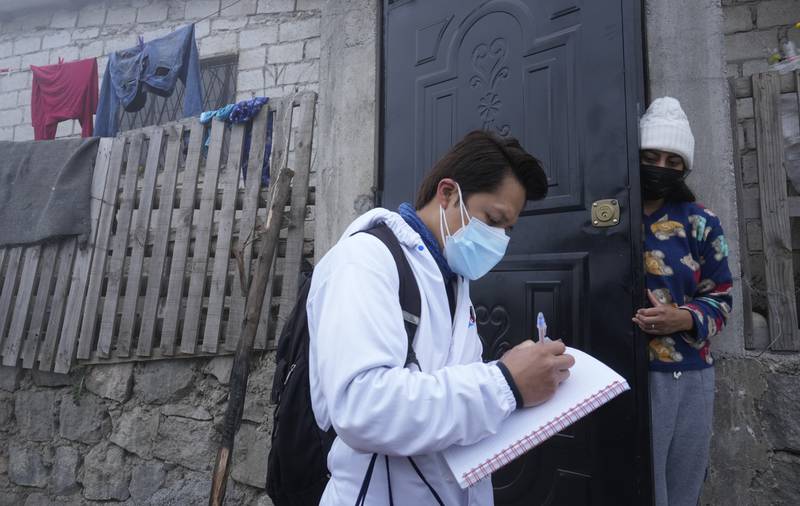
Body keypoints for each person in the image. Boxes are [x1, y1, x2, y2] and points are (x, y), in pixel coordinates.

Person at [307, 130, 576, 505]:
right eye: (492, 219)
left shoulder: (453, 279)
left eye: (508, 229)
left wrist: (517, 384)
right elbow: (361, 406)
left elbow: (451, 389)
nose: (499, 239)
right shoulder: (364, 262)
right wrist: (505, 384)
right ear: (448, 193)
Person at [632, 97, 733, 506]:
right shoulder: (611, 217)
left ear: (684, 167)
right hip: (625, 370)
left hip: (686, 375)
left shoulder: (700, 221)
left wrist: (684, 318)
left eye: (672, 161)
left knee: (680, 486)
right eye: (650, 156)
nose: (660, 166)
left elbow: (722, 297)